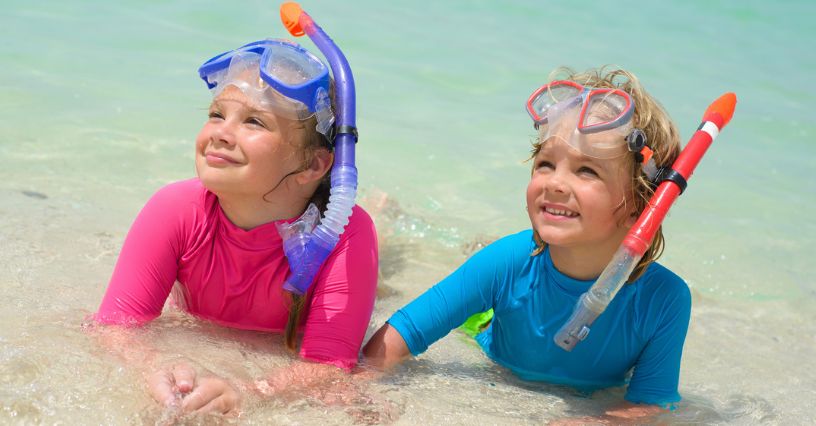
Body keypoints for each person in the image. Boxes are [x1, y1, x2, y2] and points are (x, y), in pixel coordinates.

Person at [364, 67, 690, 421]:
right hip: (483, 325)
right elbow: (404, 331)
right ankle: (379, 229)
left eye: (586, 170)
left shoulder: (664, 299)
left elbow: (652, 404)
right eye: (546, 164)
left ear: (640, 208)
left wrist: (597, 421)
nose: (555, 183)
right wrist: (362, 385)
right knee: (380, 287)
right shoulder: (507, 262)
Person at [94, 37, 377, 415]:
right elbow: (114, 327)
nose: (220, 133)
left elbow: (329, 366)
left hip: (341, 246)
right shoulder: (175, 209)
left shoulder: (345, 233)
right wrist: (154, 367)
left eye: (254, 121)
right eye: (216, 114)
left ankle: (384, 213)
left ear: (313, 165)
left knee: (383, 268)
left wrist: (250, 391)